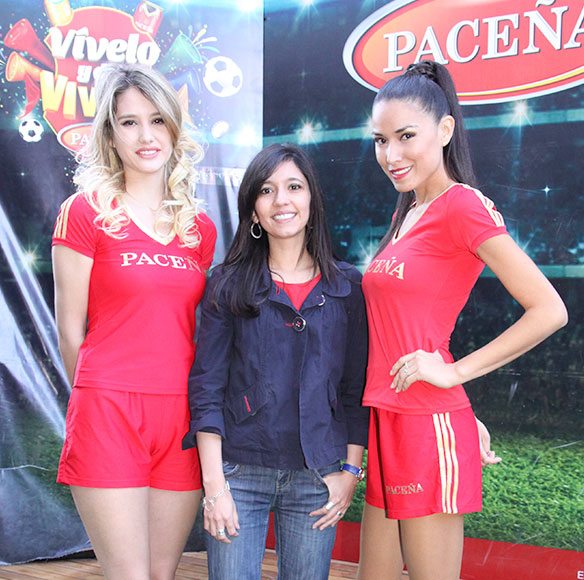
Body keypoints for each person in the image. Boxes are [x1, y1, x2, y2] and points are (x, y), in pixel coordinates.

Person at [357, 60, 568, 580]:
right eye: (381, 140)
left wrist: (453, 375)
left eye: (406, 136)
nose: (391, 155)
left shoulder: (463, 206)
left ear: (446, 129)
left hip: (425, 423)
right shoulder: (406, 212)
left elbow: (549, 310)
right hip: (389, 416)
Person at [51, 63, 216, 580]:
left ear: (174, 127)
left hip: (181, 419)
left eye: (157, 120)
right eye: (129, 122)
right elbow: (70, 330)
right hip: (108, 412)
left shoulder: (199, 228)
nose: (146, 136)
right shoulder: (84, 212)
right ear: (110, 133)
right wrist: (98, 402)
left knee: (162, 575)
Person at [182, 143, 369, 579]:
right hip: (239, 473)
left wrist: (349, 471)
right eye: (266, 190)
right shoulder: (227, 284)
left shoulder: (347, 287)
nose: (281, 200)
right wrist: (215, 486)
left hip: (318, 476)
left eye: (294, 187)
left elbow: (355, 390)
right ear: (253, 210)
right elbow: (207, 387)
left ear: (312, 199)